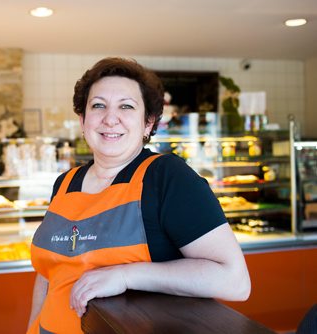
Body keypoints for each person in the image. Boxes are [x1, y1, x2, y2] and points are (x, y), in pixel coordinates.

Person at [27, 57, 251, 334]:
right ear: (83, 120)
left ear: (148, 123)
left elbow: (235, 281)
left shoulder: (166, 177)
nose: (110, 118)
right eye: (98, 105)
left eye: (126, 106)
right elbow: (47, 275)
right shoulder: (65, 182)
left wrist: (125, 275)